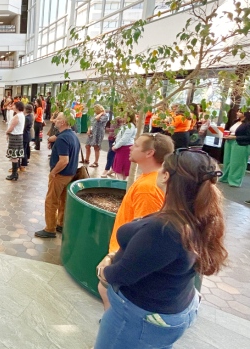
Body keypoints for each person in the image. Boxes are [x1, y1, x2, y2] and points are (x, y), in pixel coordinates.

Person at [95, 149, 227, 349]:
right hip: (173, 304)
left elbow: (122, 275)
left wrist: (105, 269)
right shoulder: (198, 215)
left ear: (166, 176)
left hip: (141, 317)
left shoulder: (166, 230)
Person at [98, 133, 175, 309]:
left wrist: (116, 257)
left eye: (137, 145)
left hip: (125, 253)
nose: (131, 147)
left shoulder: (148, 188)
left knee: (107, 292)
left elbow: (146, 234)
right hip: (123, 250)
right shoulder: (148, 178)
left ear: (150, 153)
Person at [35, 112, 80, 238]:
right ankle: (60, 223)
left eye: (58, 119)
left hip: (60, 175)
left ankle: (50, 228)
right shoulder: (72, 135)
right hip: (70, 174)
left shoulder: (62, 139)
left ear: (63, 122)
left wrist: (53, 172)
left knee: (51, 201)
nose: (54, 121)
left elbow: (64, 160)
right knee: (63, 201)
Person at [221, 111, 250, 187]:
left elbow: (248, 137)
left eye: (240, 112)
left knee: (237, 163)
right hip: (229, 142)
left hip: (240, 143)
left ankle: (235, 181)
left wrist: (235, 137)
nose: (237, 112)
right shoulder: (236, 121)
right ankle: (225, 177)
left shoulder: (248, 123)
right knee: (227, 161)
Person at [111, 113, 137, 180]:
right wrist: (115, 143)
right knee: (120, 168)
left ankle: (121, 182)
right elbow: (120, 136)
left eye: (124, 116)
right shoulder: (126, 125)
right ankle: (122, 181)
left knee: (120, 167)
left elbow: (125, 139)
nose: (123, 117)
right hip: (122, 147)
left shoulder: (130, 126)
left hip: (125, 148)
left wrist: (116, 146)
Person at [6, 102, 26, 181]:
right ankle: (15, 173)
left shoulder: (17, 116)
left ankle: (14, 174)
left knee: (14, 156)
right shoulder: (22, 115)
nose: (12, 106)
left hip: (15, 137)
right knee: (16, 155)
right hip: (19, 136)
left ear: (17, 107)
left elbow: (11, 127)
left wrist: (7, 132)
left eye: (14, 105)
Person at [20, 103, 34, 170]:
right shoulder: (30, 116)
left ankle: (23, 164)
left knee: (24, 150)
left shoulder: (27, 118)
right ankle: (24, 162)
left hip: (25, 135)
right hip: (27, 135)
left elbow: (23, 127)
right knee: (25, 149)